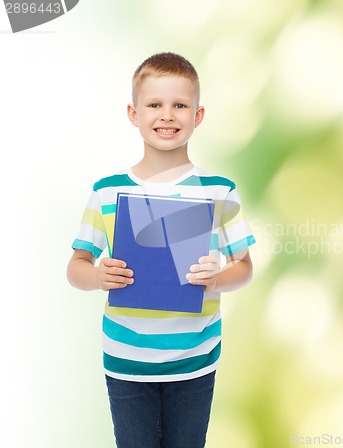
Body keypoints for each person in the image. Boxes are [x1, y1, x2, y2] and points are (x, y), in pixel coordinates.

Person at [66, 52, 256, 448]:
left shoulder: (219, 189)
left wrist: (217, 278)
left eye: (179, 105)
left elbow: (245, 267)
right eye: (155, 104)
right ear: (134, 114)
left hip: (196, 359)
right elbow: (76, 266)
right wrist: (98, 275)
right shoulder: (108, 190)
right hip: (126, 361)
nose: (167, 115)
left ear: (198, 115)